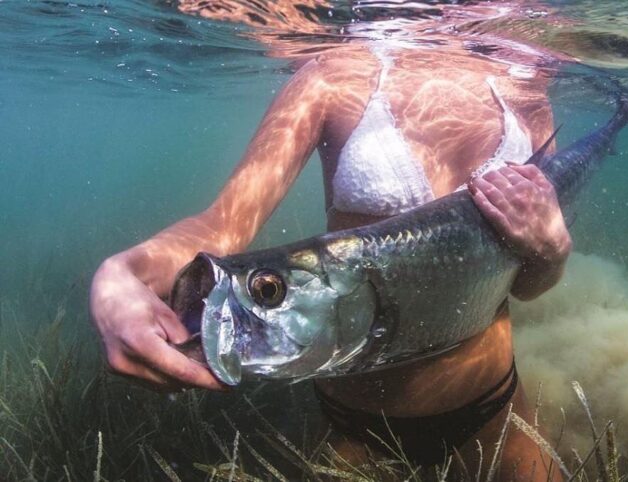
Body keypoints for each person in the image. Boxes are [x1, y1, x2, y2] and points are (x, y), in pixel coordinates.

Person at [89, 16, 572, 481]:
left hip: (494, 408)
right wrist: (122, 274)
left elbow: (527, 285)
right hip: (353, 424)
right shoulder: (333, 72)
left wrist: (552, 251)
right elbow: (223, 223)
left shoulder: (525, 83)